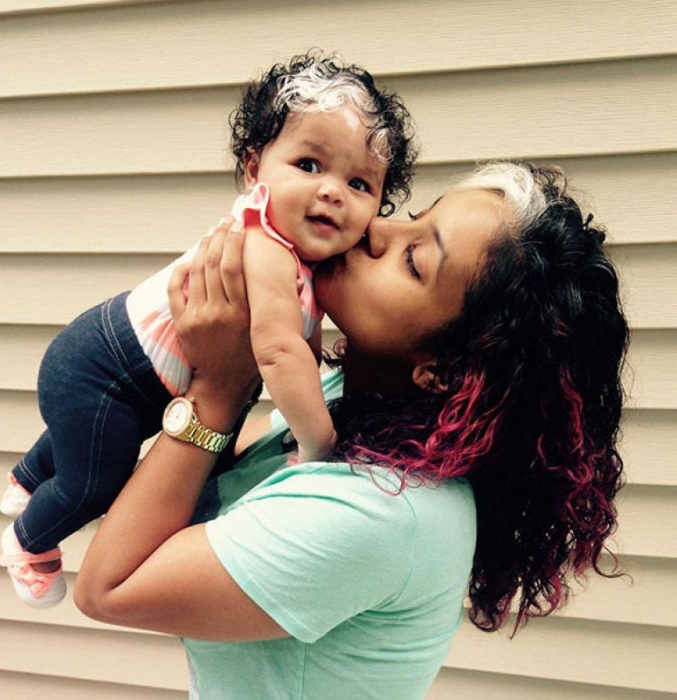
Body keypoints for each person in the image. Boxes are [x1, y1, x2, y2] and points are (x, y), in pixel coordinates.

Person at [73, 161, 629, 699]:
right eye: (413, 213)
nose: (376, 228)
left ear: (443, 371)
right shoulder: (356, 407)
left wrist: (217, 385)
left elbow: (108, 587)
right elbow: (221, 470)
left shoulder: (383, 513)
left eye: (414, 260)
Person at [0, 52, 417, 608]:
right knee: (95, 481)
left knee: (94, 438)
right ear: (253, 170)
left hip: (110, 363)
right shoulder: (267, 247)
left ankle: (27, 478)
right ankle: (27, 542)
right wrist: (317, 441)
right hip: (106, 372)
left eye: (360, 182)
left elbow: (304, 344)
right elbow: (279, 351)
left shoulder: (302, 264)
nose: (333, 191)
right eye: (309, 166)